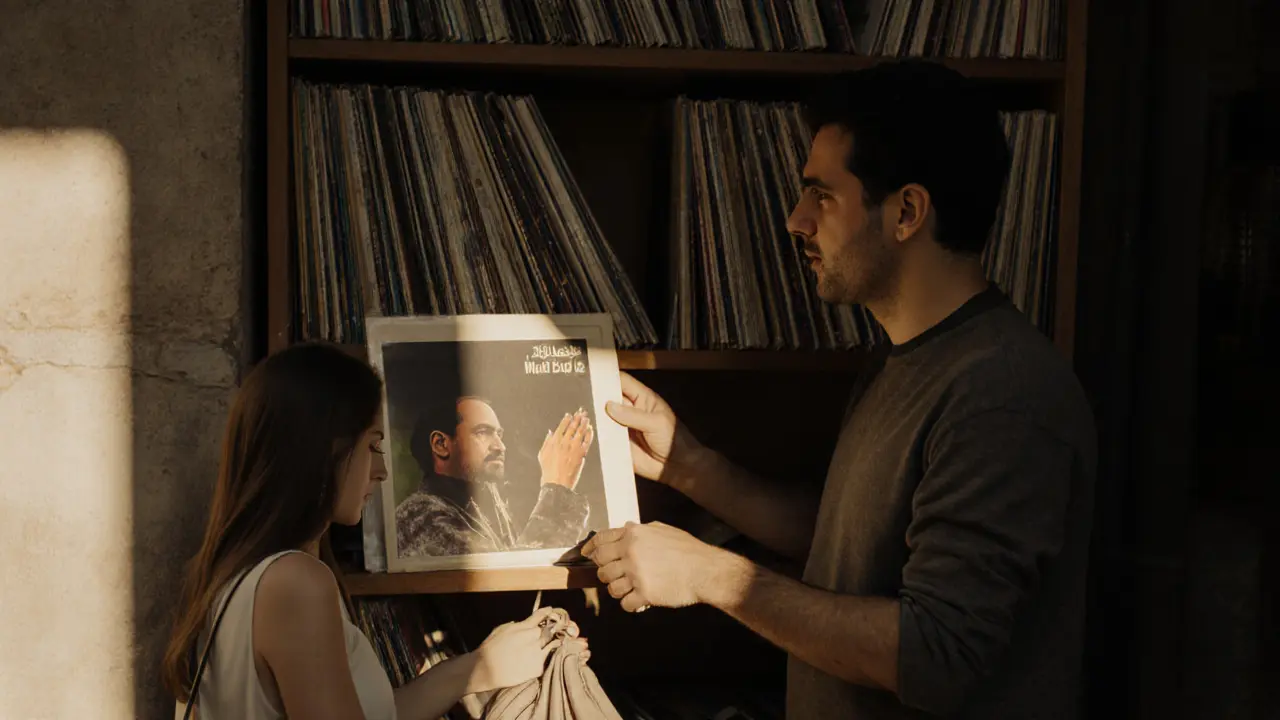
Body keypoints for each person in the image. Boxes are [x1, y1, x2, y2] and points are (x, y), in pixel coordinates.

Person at [582, 60, 1098, 719]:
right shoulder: (906, 360)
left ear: (907, 211)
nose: (796, 221)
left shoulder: (1002, 396)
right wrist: (689, 465)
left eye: (821, 196)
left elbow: (936, 655)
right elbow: (845, 549)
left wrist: (709, 575)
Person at [162, 343, 584, 720]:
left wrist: (480, 665)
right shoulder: (297, 583)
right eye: (373, 445)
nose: (381, 470)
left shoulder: (244, 575)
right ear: (323, 450)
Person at [395, 396, 594, 557]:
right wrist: (556, 489)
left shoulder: (488, 509)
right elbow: (505, 593)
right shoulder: (419, 517)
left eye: (499, 434)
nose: (500, 446)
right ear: (441, 444)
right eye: (483, 432)